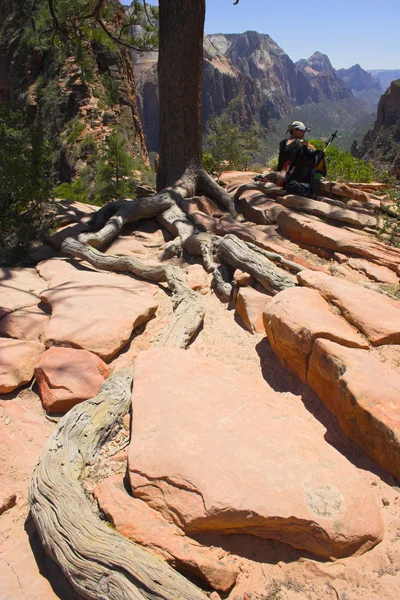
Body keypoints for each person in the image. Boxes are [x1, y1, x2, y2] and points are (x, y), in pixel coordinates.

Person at [256, 121, 326, 197]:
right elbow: (315, 153)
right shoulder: (302, 142)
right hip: (290, 176)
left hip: (280, 172)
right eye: (302, 131)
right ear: (294, 130)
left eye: (304, 131)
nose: (304, 133)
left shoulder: (282, 143)